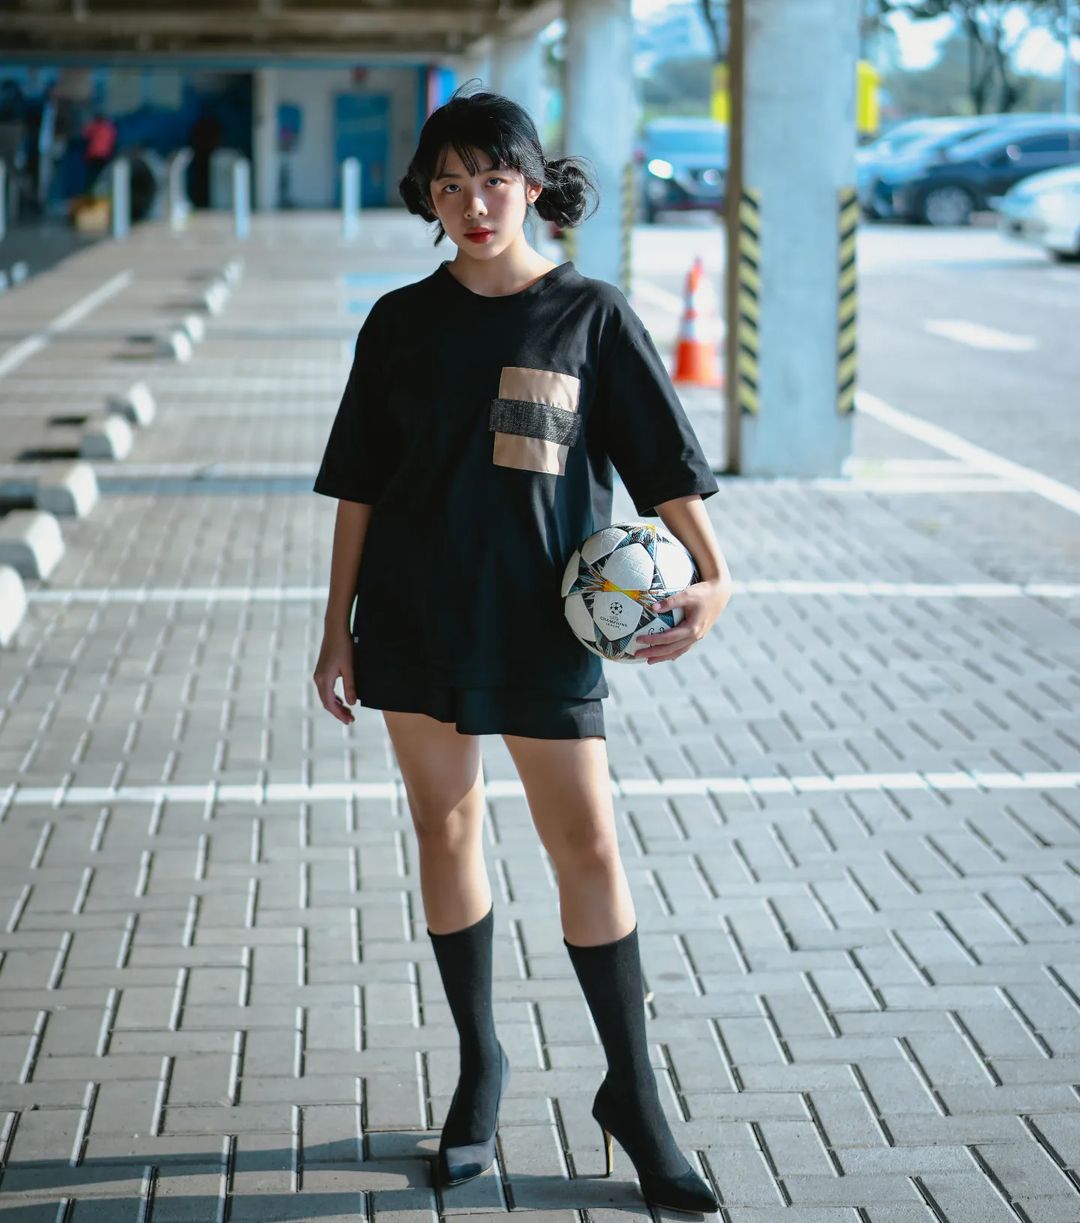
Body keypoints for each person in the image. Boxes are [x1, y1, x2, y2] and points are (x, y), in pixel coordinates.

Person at [312, 85, 732, 1213]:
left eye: (493, 179)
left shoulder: (589, 313)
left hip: (545, 623)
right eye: (449, 185)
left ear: (534, 184)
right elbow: (358, 482)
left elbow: (666, 462)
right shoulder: (399, 321)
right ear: (428, 198)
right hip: (415, 613)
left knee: (586, 843)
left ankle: (633, 1094)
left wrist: (717, 573)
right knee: (445, 827)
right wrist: (335, 625)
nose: (474, 203)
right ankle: (480, 1064)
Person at [81, 110, 117, 188]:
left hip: (94, 155)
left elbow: (84, 134)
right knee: (99, 174)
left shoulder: (94, 126)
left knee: (91, 174)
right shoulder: (109, 128)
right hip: (104, 155)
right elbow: (113, 142)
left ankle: (89, 188)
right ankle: (95, 188)